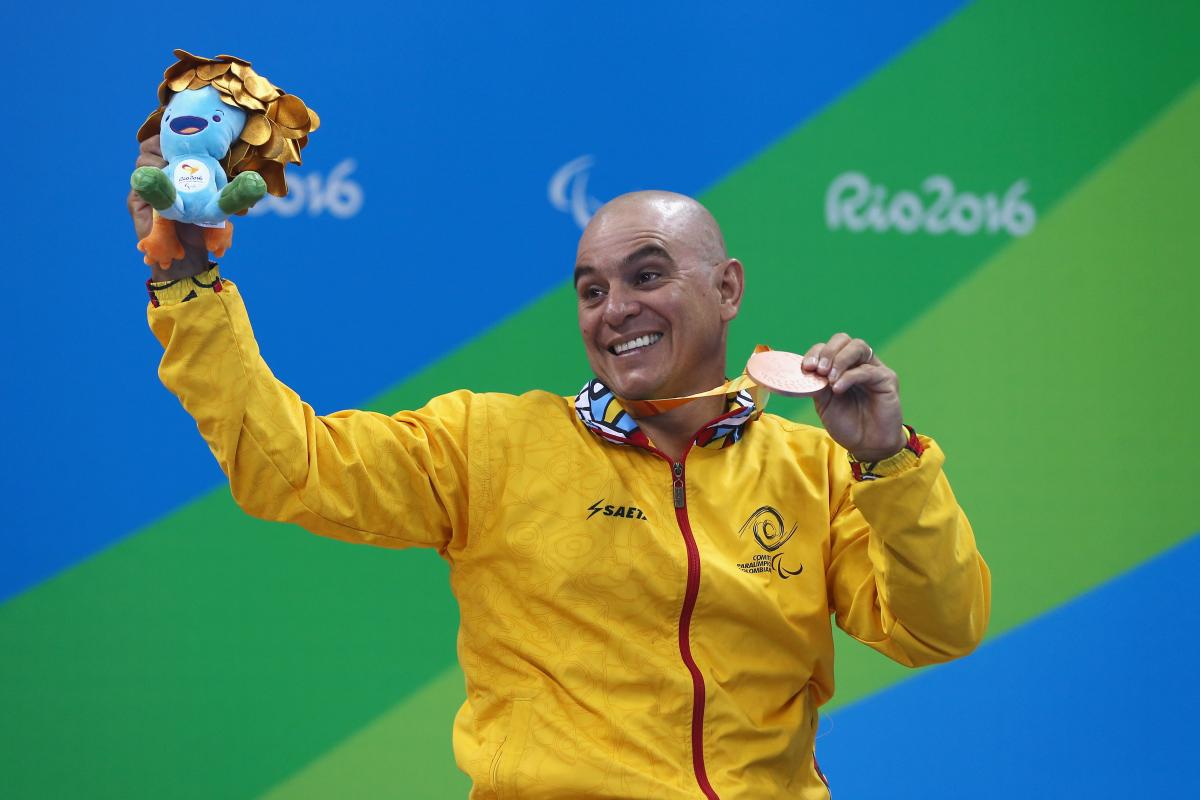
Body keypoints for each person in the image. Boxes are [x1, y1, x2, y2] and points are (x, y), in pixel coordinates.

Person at [131, 134, 991, 799]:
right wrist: (186, 282)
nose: (615, 310)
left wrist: (887, 459)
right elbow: (291, 465)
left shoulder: (818, 468)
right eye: (590, 289)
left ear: (727, 289)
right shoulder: (489, 445)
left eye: (646, 275)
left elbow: (938, 629)